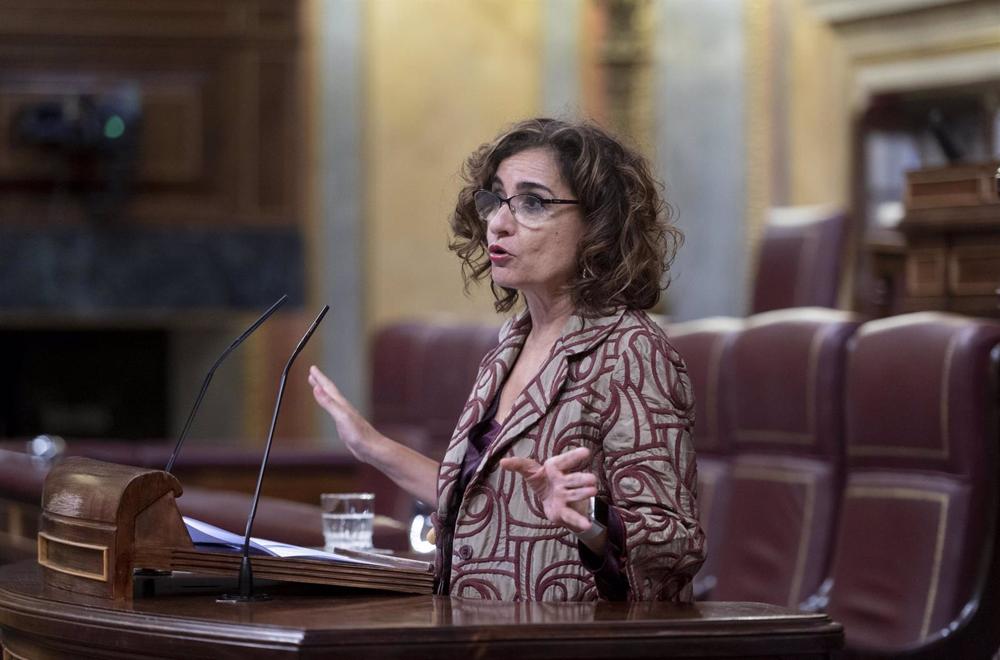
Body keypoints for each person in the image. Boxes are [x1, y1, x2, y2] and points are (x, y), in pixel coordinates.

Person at [309, 117, 705, 602]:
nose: (498, 221)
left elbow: (675, 544)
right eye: (496, 199)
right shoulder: (510, 346)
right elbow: (486, 505)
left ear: (599, 223)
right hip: (475, 635)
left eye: (533, 202)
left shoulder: (632, 350)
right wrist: (371, 446)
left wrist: (592, 516)